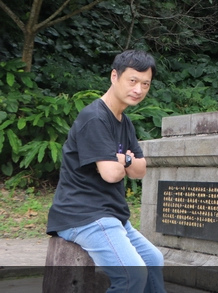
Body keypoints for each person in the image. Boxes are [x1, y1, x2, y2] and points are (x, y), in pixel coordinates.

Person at [46, 50, 166, 293]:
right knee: (133, 276)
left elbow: (140, 171)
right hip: (84, 215)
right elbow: (111, 174)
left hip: (111, 215)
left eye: (146, 84)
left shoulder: (124, 122)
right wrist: (127, 161)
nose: (139, 89)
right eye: (132, 81)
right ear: (115, 76)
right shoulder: (95, 118)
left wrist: (122, 159)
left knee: (153, 260)